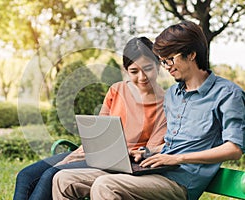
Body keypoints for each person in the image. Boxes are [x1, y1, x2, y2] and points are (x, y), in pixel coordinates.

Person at [52, 20, 245, 200]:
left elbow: (234, 149)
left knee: (106, 185)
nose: (167, 67)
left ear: (191, 54)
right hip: (155, 169)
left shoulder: (228, 94)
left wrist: (176, 158)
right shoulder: (173, 95)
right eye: (163, 61)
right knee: (63, 179)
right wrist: (146, 152)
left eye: (170, 59)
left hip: (182, 180)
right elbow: (172, 143)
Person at [13, 36, 167, 200]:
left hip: (125, 163)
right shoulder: (117, 90)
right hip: (94, 153)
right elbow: (100, 128)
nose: (142, 77)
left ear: (158, 65)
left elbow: (150, 151)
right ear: (126, 70)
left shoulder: (166, 103)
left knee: (51, 174)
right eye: (134, 71)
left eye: (148, 68)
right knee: (25, 176)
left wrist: (131, 151)